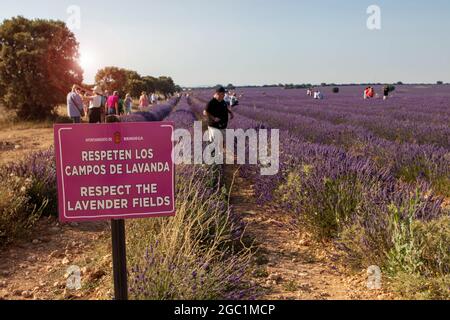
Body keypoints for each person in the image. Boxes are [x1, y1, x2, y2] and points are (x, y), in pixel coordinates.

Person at [203, 87, 234, 157]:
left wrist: (230, 113)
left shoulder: (222, 101)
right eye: (223, 93)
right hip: (214, 126)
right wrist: (214, 118)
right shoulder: (211, 102)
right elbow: (205, 112)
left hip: (222, 126)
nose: (224, 95)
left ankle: (218, 157)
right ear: (218, 93)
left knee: (221, 142)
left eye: (224, 93)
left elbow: (225, 108)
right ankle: (212, 158)